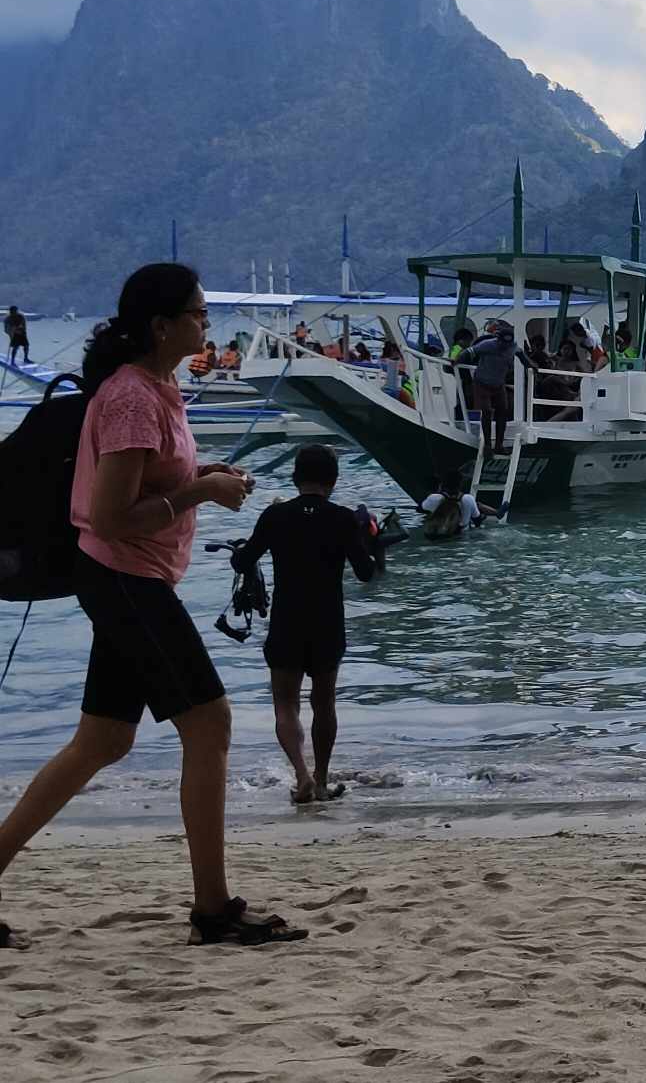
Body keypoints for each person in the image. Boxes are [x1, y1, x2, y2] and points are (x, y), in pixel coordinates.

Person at [0, 263, 305, 950]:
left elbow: (147, 483)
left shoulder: (160, 388)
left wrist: (204, 477)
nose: (207, 323)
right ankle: (213, 909)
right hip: (122, 578)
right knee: (210, 723)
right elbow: (109, 518)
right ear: (161, 326)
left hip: (131, 579)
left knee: (102, 742)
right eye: (197, 313)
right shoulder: (133, 396)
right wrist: (200, 495)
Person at [231, 445, 382, 805]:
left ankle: (300, 775)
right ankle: (322, 779)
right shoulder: (344, 519)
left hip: (287, 620)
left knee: (285, 703)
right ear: (333, 479)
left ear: (296, 477)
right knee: (324, 701)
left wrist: (238, 553)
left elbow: (243, 561)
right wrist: (371, 541)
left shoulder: (275, 516)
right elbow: (365, 573)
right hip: (327, 622)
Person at [461, 320, 516, 456]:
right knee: (486, 411)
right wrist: (455, 361)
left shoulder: (513, 347)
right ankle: (487, 445)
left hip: (499, 384)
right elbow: (468, 352)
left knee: (503, 411)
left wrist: (530, 365)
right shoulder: (487, 345)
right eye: (503, 343)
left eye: (507, 344)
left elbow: (521, 356)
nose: (504, 346)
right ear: (498, 339)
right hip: (482, 383)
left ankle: (499, 445)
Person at [419, 470, 501, 539]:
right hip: (460, 539)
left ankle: (497, 512)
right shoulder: (468, 499)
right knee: (477, 507)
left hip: (436, 538)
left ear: (442, 484)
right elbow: (478, 521)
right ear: (461, 484)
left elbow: (420, 509)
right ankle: (497, 512)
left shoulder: (434, 498)